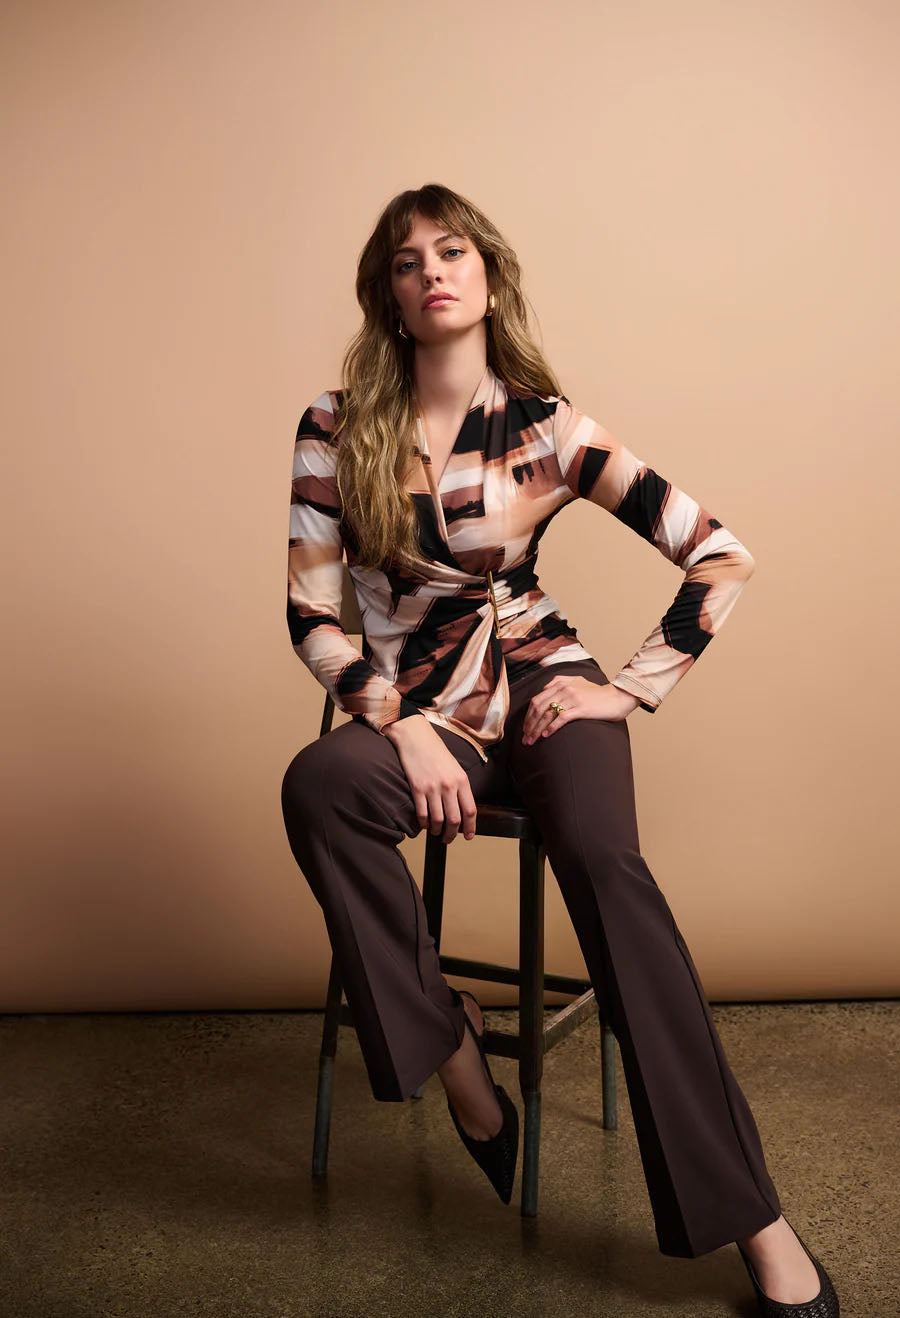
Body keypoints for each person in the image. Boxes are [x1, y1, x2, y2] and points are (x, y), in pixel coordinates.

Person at [280, 184, 840, 1315]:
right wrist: (396, 722)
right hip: (418, 713)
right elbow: (312, 616)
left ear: (488, 274)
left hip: (545, 695)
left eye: (451, 251)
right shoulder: (334, 427)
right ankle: (459, 1066)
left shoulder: (546, 428)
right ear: (384, 292)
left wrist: (625, 695)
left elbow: (719, 554)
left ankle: (755, 1216)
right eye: (406, 261)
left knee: (610, 874)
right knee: (318, 787)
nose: (431, 272)